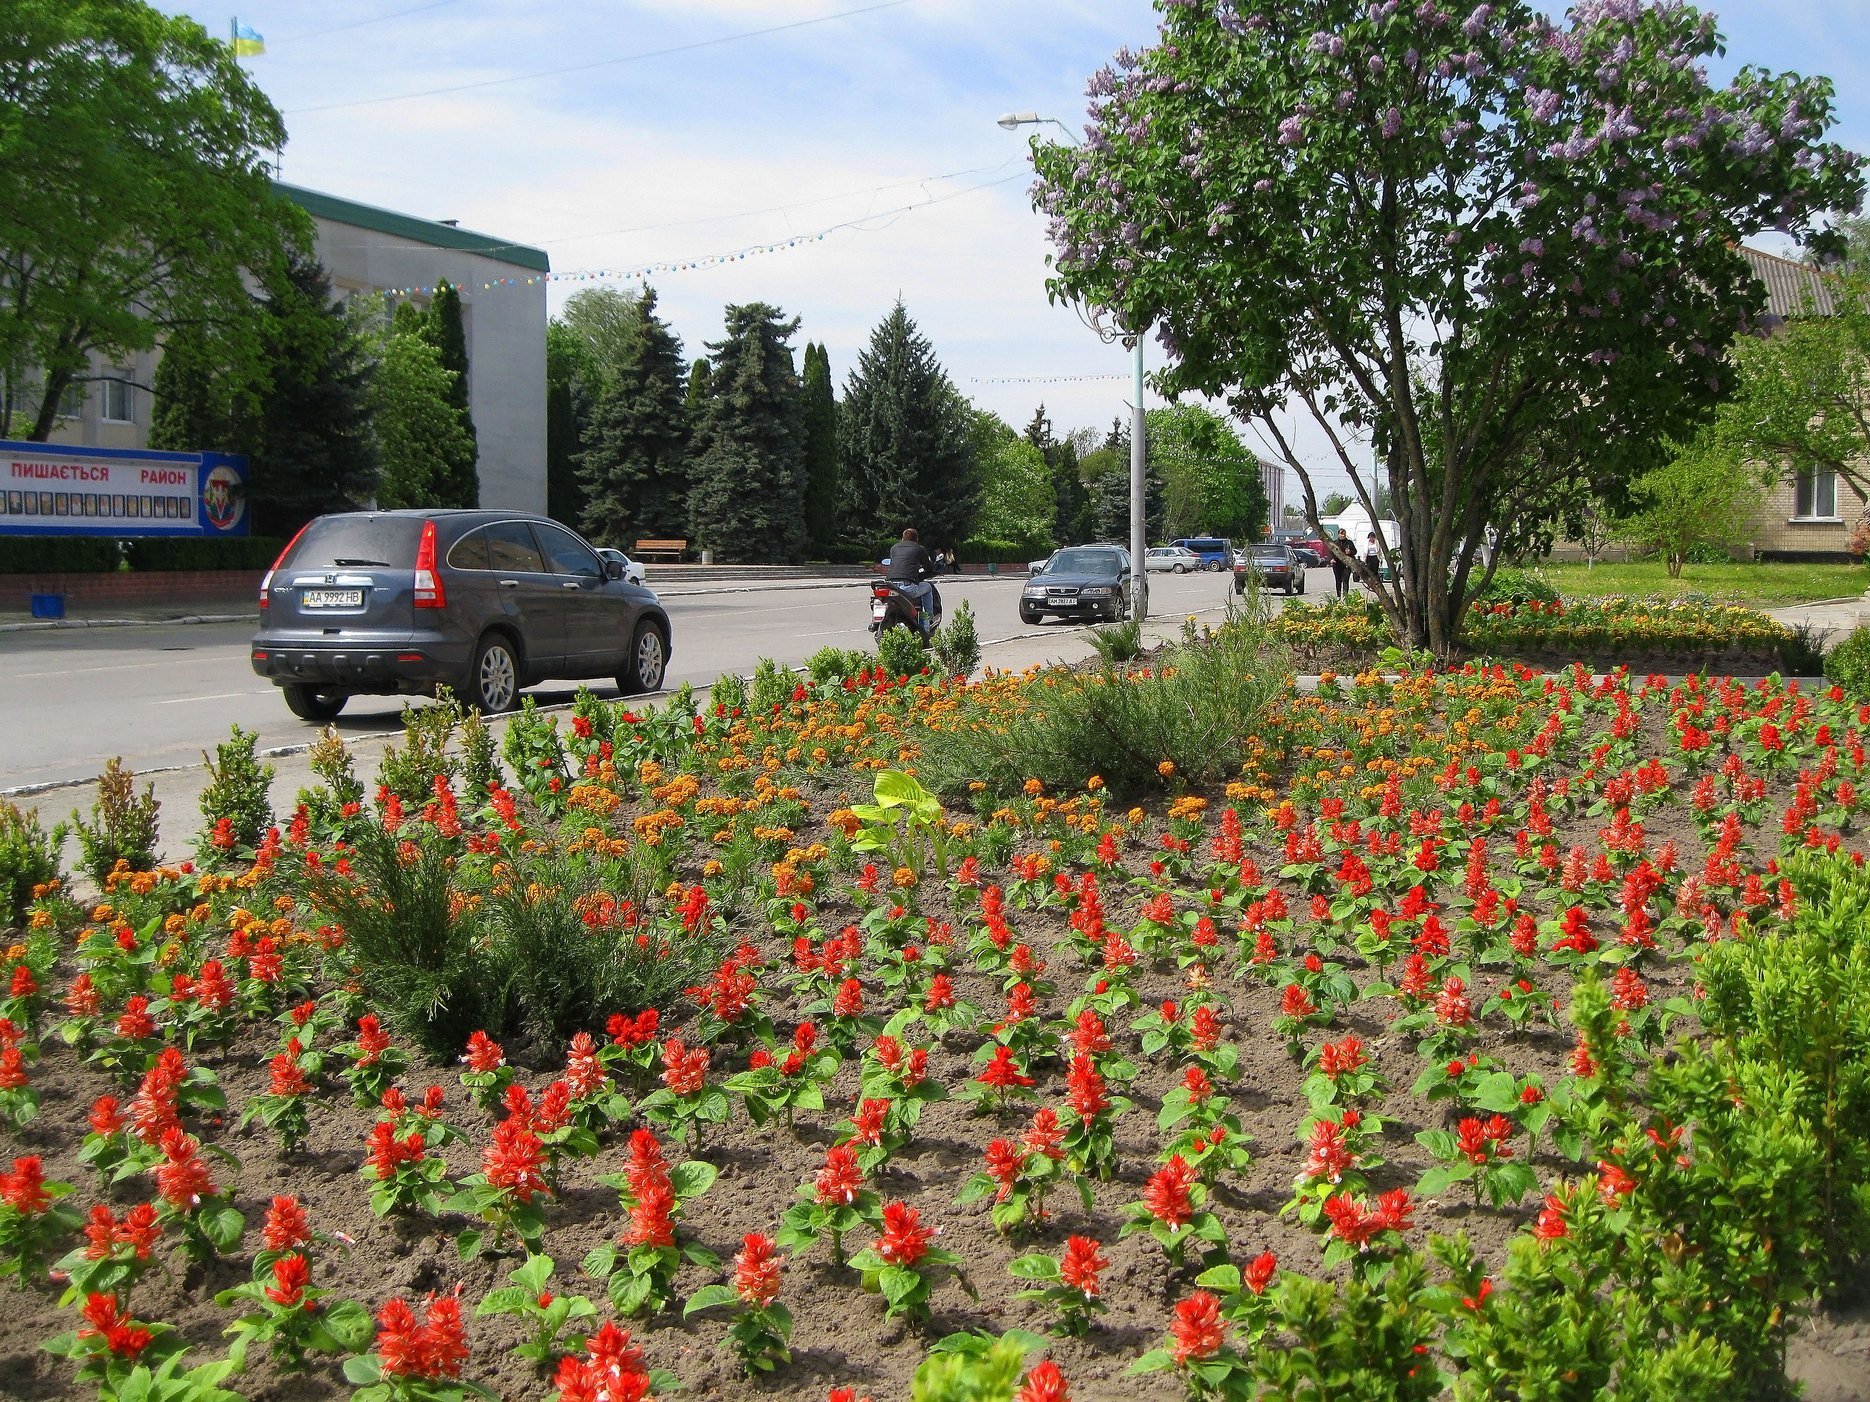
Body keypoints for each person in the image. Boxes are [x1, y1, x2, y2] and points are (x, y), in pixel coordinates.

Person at [885, 527, 941, 637]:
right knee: (928, 587)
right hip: (906, 586)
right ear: (917, 539)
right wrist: (932, 570)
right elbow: (928, 568)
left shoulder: (894, 548)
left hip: (890, 585)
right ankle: (929, 619)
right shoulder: (919, 549)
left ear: (902, 538)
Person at [1331, 527, 1353, 598]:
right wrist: (1331, 559)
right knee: (1338, 580)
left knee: (1345, 580)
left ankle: (1345, 596)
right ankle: (1338, 596)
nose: (1342, 535)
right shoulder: (1335, 543)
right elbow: (1330, 552)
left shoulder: (1349, 542)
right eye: (1341, 534)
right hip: (1337, 564)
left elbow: (1354, 551)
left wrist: (1350, 552)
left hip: (1346, 564)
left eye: (1344, 534)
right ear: (1338, 535)